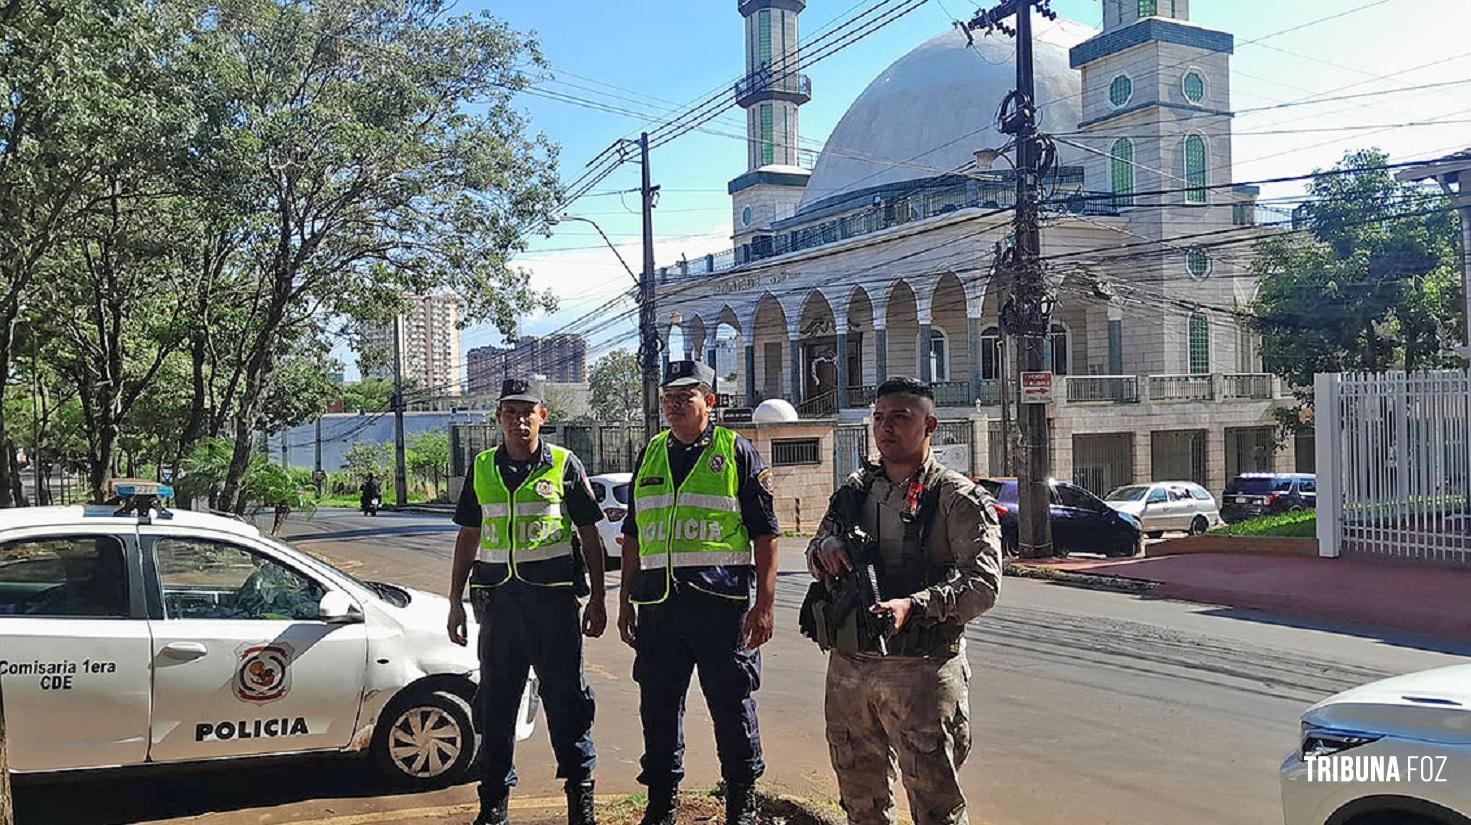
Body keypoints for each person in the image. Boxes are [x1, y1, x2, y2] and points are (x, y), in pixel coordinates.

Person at [806, 377, 1002, 825]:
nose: (886, 428)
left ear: (929, 425)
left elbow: (984, 584)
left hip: (920, 667)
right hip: (851, 665)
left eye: (900, 417)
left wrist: (914, 605)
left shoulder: (956, 497)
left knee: (935, 804)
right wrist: (826, 549)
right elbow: (814, 548)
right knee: (859, 795)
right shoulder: (856, 491)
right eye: (878, 418)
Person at [617, 360, 779, 825]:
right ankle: (661, 803)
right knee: (658, 709)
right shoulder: (649, 454)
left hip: (720, 610)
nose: (673, 406)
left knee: (731, 708)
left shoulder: (737, 452)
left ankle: (741, 802)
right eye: (668, 398)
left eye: (685, 398)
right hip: (658, 609)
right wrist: (626, 599)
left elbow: (766, 535)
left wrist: (764, 605)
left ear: (709, 401)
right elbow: (633, 535)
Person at [446, 378, 609, 825]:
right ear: (499, 417)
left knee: (568, 704)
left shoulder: (564, 464)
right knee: (496, 706)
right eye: (510, 412)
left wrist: (598, 598)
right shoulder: (481, 468)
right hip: (499, 609)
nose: (519, 420)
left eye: (527, 411)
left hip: (553, 608)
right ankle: (493, 806)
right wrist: (455, 600)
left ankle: (581, 800)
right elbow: (468, 536)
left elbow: (591, 535)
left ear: (543, 416)